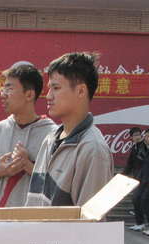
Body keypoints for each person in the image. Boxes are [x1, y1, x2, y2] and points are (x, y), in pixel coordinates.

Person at [26, 52, 113, 207]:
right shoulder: (51, 138)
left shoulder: (92, 149)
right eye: (49, 88)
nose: (48, 96)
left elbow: (89, 219)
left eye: (56, 88)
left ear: (81, 91)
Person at [0, 64, 55, 207]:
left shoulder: (52, 134)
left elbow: (58, 186)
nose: (3, 95)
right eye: (3, 89)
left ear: (29, 95)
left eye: (9, 89)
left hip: (34, 218)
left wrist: (27, 165)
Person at [123, 127, 147, 230]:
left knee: (137, 198)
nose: (137, 137)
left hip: (144, 177)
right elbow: (130, 163)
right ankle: (139, 222)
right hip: (137, 177)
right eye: (135, 135)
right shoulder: (134, 147)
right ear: (131, 137)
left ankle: (142, 223)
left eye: (138, 134)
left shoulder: (144, 146)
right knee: (137, 199)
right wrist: (123, 175)